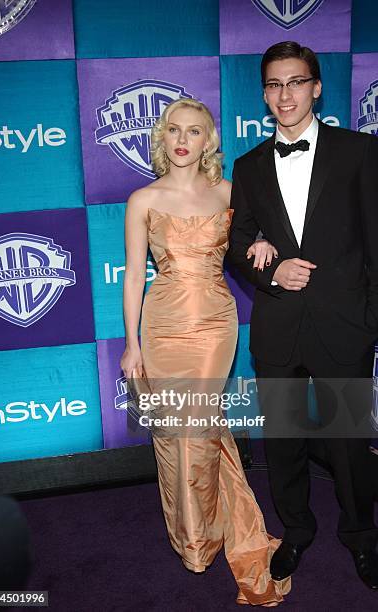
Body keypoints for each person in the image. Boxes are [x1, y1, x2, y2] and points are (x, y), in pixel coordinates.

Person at [120, 98, 290, 605]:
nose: (183, 140)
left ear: (208, 141)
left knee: (199, 427)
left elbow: (265, 235)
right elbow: (133, 275)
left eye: (194, 132)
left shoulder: (229, 192)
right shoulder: (142, 199)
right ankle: (192, 536)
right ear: (162, 136)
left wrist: (262, 241)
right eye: (174, 129)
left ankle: (209, 536)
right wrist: (132, 344)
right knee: (178, 433)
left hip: (215, 326)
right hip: (163, 324)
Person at [227, 40, 378, 589]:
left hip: (345, 326)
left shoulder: (359, 152)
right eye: (273, 84)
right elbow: (237, 241)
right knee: (284, 441)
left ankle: (363, 537)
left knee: (349, 442)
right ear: (264, 95)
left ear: (316, 87)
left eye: (294, 82)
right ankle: (295, 530)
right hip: (278, 325)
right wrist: (270, 270)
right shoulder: (247, 166)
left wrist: (370, 321)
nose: (284, 94)